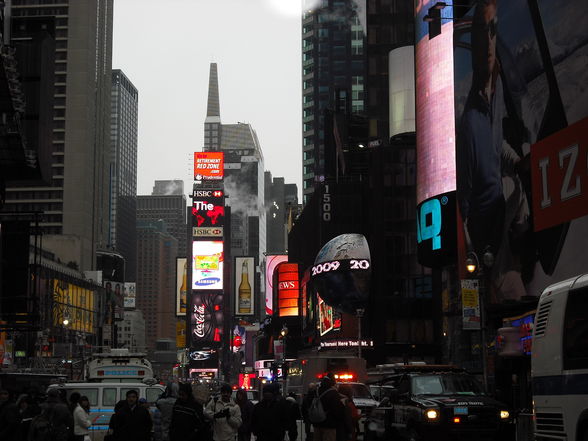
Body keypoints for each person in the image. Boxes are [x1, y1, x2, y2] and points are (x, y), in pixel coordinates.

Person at [456, 0, 529, 301]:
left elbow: (495, 143)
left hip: (503, 200)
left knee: (517, 188)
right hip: (487, 234)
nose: (488, 41)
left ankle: (523, 236)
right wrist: (475, 256)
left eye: (492, 29)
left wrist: (518, 161)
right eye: (482, 33)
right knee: (514, 292)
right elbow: (462, 207)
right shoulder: (469, 124)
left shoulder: (495, 91)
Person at [311, 375, 346, 441]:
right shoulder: (333, 393)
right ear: (332, 383)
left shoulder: (316, 391)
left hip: (317, 423)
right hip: (329, 424)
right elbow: (337, 411)